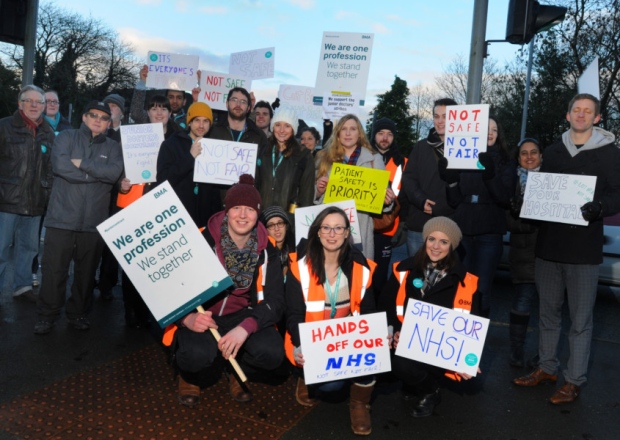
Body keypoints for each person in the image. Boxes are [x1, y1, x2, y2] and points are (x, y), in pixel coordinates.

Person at [513, 93, 620, 404]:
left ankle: (574, 380)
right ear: (568, 115)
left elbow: (618, 194)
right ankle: (547, 367)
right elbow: (541, 192)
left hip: (584, 251)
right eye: (577, 110)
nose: (582, 115)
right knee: (547, 314)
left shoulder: (611, 154)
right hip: (549, 247)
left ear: (598, 118)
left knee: (581, 321)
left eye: (588, 111)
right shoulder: (553, 151)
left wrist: (600, 207)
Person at [169, 174, 285, 407]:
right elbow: (169, 287)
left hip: (243, 313)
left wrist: (246, 328)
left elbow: (276, 301)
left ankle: (237, 365)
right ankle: (189, 376)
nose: (243, 215)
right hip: (203, 313)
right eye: (237, 208)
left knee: (272, 354)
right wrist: (187, 318)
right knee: (195, 356)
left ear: (258, 214)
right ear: (226, 210)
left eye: (250, 210)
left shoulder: (266, 248)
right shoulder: (200, 238)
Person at [285, 206, 377, 435]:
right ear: (317, 232)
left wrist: (377, 338)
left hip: (347, 341)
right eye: (326, 227)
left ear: (347, 233)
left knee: (375, 354)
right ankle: (304, 376)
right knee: (331, 386)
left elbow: (368, 315)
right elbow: (294, 315)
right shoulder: (300, 269)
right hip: (311, 341)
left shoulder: (361, 269)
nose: (332, 233)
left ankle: (358, 404)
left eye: (338, 228)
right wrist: (300, 345)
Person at [34, 100, 123, 334]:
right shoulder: (65, 137)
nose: (98, 120)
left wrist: (83, 164)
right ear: (84, 117)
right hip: (61, 218)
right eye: (93, 115)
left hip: (93, 223)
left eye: (104, 117)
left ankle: (78, 314)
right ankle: (47, 315)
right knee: (54, 271)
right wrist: (97, 175)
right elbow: (61, 166)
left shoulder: (113, 147)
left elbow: (113, 173)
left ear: (108, 123)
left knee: (86, 274)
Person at [380, 216, 480, 417]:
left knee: (404, 364)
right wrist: (395, 331)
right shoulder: (403, 271)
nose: (436, 246)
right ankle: (414, 381)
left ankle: (430, 390)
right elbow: (386, 307)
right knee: (386, 363)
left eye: (444, 242)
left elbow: (471, 326)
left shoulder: (465, 282)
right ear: (424, 240)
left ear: (452, 246)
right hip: (403, 343)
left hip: (437, 352)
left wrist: (468, 357)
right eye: (431, 239)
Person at [438, 115, 516, 317]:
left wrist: (490, 175)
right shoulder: (463, 156)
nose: (490, 133)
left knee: (482, 289)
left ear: (499, 136)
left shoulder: (506, 161)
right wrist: (451, 182)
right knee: (461, 284)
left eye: (495, 130)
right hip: (463, 230)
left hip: (489, 232)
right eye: (486, 129)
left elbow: (505, 198)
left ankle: (476, 338)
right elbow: (454, 201)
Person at [117, 95, 181, 327]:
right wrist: (120, 184)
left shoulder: (179, 139)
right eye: (154, 109)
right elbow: (118, 168)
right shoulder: (134, 136)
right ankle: (131, 311)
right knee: (134, 263)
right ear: (147, 112)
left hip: (164, 205)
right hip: (135, 204)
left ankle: (154, 310)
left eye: (163, 108)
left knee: (160, 263)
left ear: (170, 113)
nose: (159, 112)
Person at [0, 85, 55, 303]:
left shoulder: (48, 132)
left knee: (29, 247)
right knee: (1, 248)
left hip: (35, 201)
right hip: (6, 200)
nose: (34, 105)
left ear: (44, 106)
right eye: (29, 101)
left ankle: (22, 286)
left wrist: (48, 196)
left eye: (38, 102)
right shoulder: (4, 126)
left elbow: (51, 168)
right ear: (20, 104)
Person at [315, 114, 395, 261]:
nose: (348, 133)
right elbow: (312, 195)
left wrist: (386, 200)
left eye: (352, 129)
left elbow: (384, 196)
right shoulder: (324, 158)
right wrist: (318, 191)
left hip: (361, 229)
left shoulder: (374, 159)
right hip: (331, 229)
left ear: (359, 134)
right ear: (337, 134)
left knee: (357, 277)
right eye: (344, 129)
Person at [402, 98, 457, 257]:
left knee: (442, 279)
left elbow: (463, 187)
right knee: (417, 278)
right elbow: (409, 178)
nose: (440, 121)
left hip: (449, 224)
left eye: (445, 116)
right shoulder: (421, 146)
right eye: (436, 116)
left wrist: (440, 207)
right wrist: (421, 201)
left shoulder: (464, 150)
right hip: (419, 223)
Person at [506, 138, 542, 368]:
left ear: (541, 156)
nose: (529, 157)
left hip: (547, 253)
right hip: (522, 252)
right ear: (518, 158)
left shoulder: (552, 182)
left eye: (534, 152)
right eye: (524, 153)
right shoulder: (511, 183)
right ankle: (516, 351)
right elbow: (510, 221)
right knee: (523, 301)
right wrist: (532, 223)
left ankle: (543, 354)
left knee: (550, 308)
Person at [156, 101, 221, 227]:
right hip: (177, 217)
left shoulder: (215, 149)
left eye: (206, 121)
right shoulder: (170, 145)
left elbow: (215, 190)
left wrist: (215, 220)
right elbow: (162, 180)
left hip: (205, 219)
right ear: (189, 122)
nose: (201, 125)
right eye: (197, 120)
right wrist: (190, 157)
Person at [370, 117, 408, 296]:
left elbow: (407, 196)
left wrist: (403, 224)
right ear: (374, 135)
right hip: (362, 226)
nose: (385, 138)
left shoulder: (403, 163)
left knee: (380, 276)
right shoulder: (362, 157)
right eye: (380, 133)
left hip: (388, 228)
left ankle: (378, 316)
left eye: (389, 134)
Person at [255, 106, 315, 218]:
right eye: (278, 125)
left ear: (293, 129)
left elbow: (306, 195)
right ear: (273, 127)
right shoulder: (261, 150)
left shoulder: (304, 156)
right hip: (262, 217)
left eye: (287, 126)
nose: (282, 130)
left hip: (288, 221)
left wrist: (297, 224)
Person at [208, 87, 268, 159]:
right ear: (227, 104)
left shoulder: (259, 136)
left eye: (243, 101)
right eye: (234, 100)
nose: (238, 104)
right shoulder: (211, 132)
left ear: (248, 108)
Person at [130, 64, 188, 128]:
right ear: (165, 99)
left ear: (184, 101)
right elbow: (136, 113)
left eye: (179, 98)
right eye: (171, 97)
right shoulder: (154, 117)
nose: (174, 101)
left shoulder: (190, 120)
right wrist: (142, 82)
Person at [259, 205, 294, 280]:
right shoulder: (261, 255)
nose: (277, 228)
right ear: (264, 230)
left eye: (280, 223)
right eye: (271, 225)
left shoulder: (296, 250)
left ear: (286, 226)